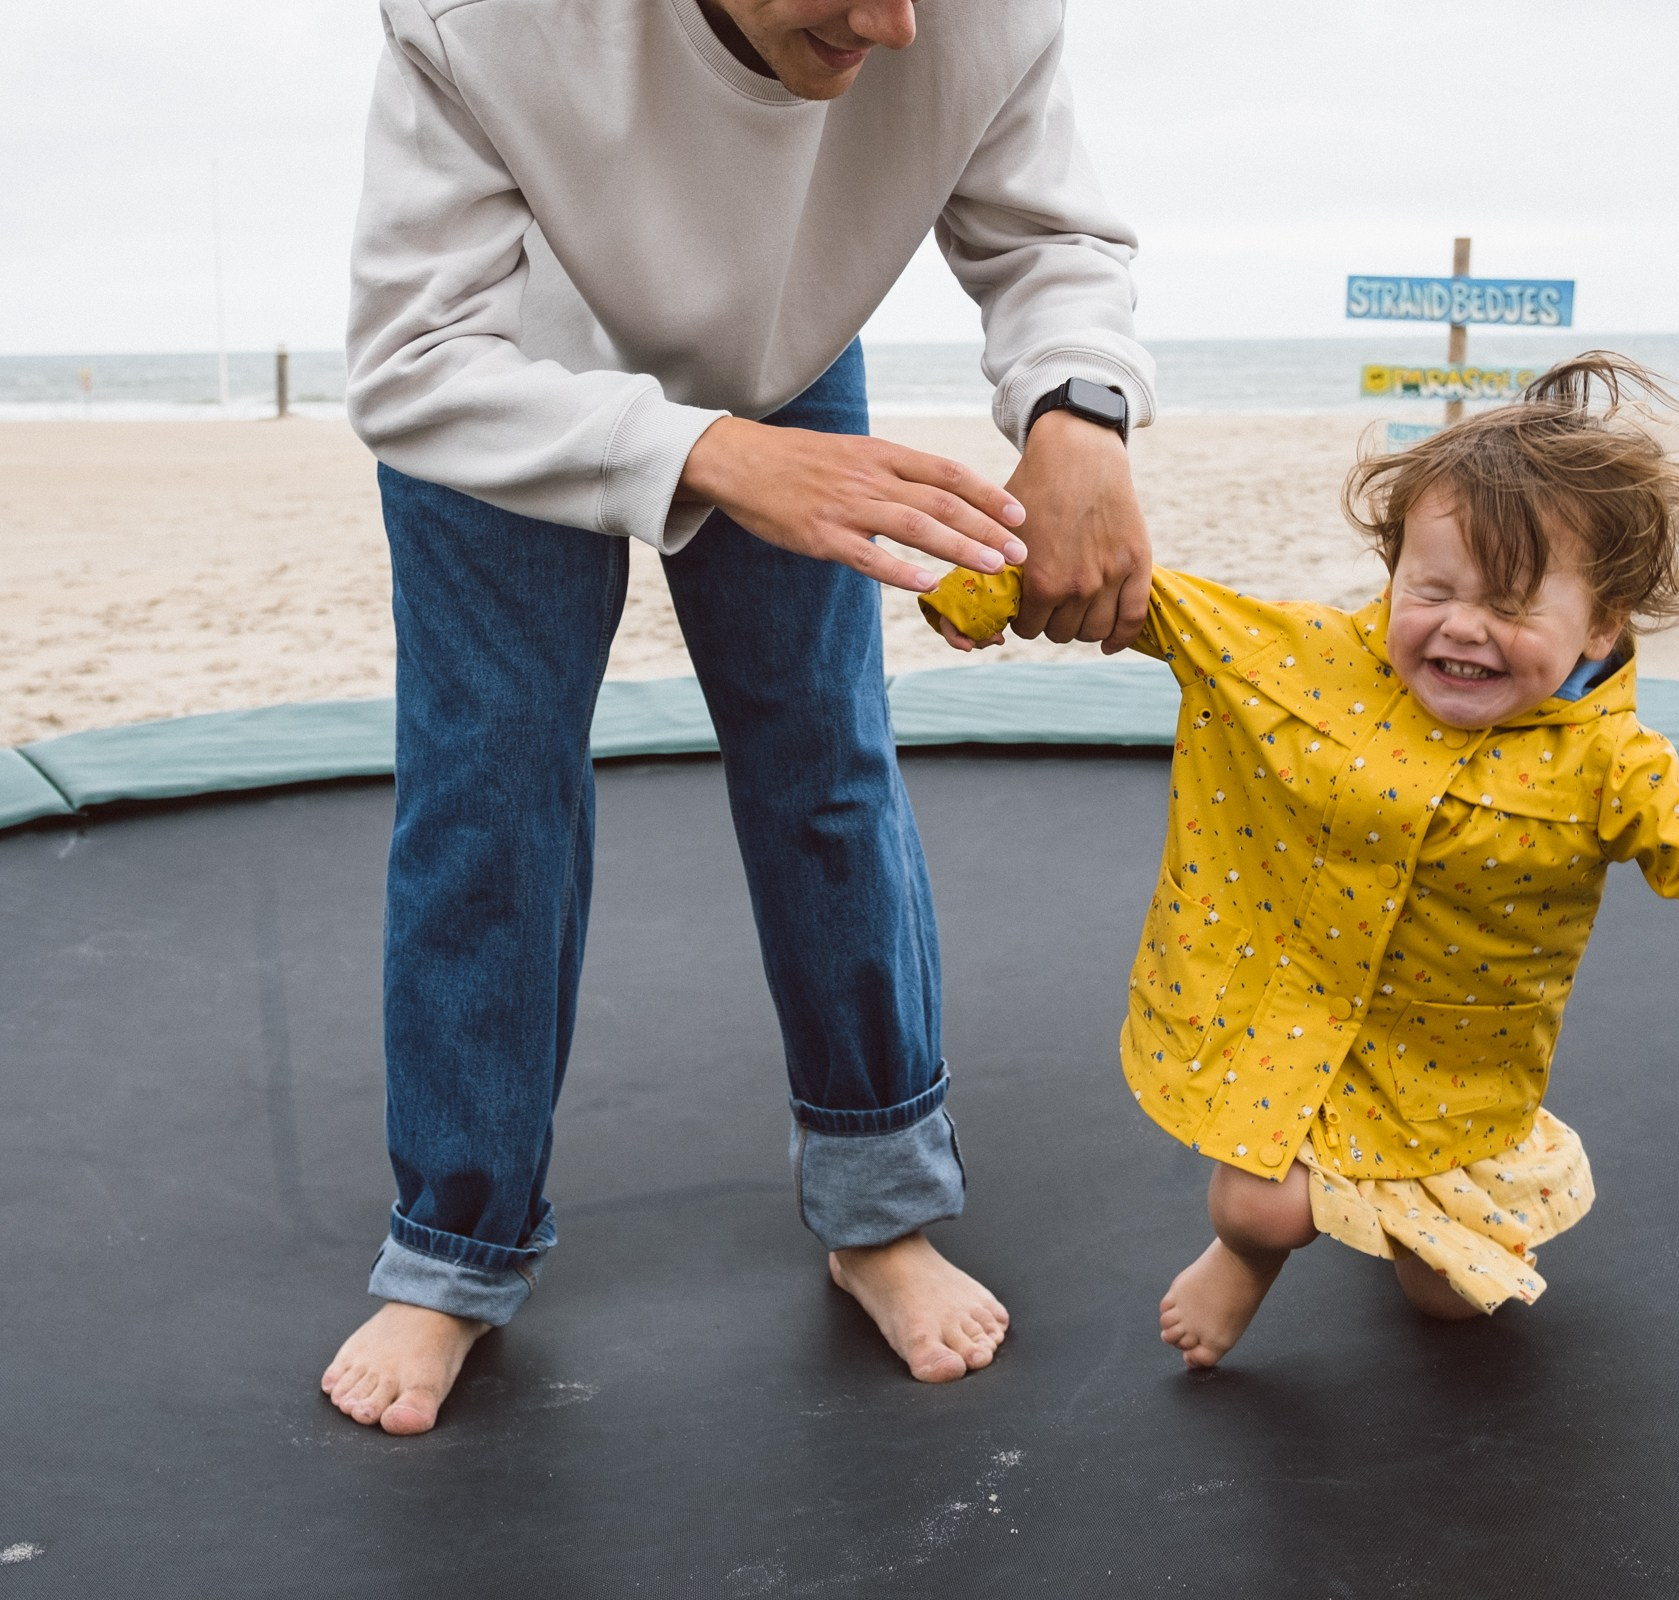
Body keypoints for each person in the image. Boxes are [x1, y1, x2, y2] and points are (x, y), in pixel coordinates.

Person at [320, 0, 1157, 1434]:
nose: (890, 26)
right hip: (501, 357)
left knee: (825, 761)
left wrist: (1079, 409)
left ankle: (880, 1209)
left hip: (786, 350)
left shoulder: (978, 14)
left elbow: (1052, 240)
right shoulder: (482, 22)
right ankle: (452, 1254)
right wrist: (708, 453)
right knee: (489, 791)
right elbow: (409, 365)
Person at [922, 353, 1679, 1366]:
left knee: (1450, 1301)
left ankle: (1409, 1236)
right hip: (1291, 1013)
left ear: (1601, 627)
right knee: (1259, 1206)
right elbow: (1140, 600)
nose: (1461, 626)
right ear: (1394, 569)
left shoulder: (1610, 766)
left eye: (1509, 604)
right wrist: (983, 588)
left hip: (1447, 1073)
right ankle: (1245, 1266)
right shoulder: (1306, 663)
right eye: (1433, 589)